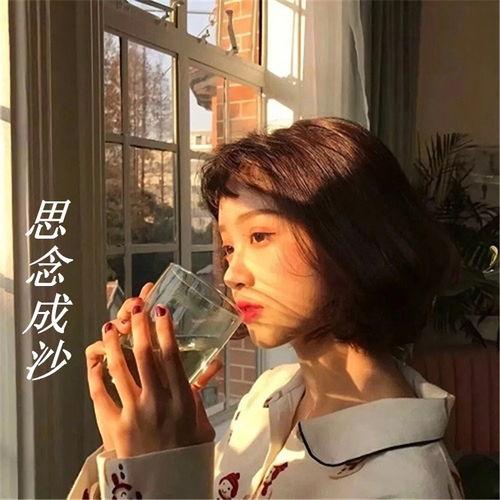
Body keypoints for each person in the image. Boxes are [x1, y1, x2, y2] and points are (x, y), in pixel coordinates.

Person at [68, 117, 465, 499]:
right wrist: (136, 443)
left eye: (259, 236)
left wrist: (156, 470)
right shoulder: (269, 394)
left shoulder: (401, 485)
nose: (231, 275)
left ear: (353, 238)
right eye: (229, 247)